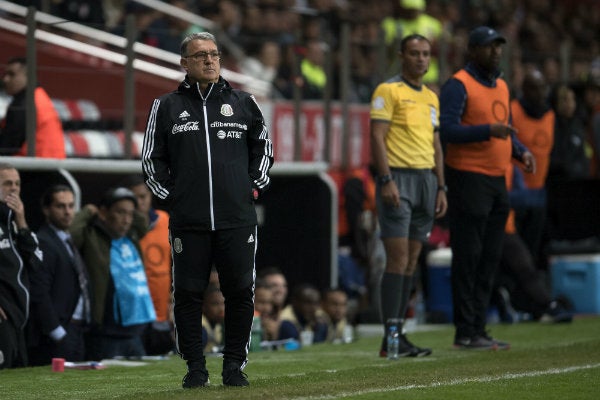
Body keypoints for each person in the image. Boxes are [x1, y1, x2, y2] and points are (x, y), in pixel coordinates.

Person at [141, 32, 273, 388]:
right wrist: (174, 198)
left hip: (237, 219)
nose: (210, 60)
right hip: (189, 221)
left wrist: (253, 184)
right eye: (200, 56)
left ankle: (234, 367)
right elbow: (152, 161)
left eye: (214, 54)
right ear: (184, 63)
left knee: (240, 293)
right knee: (187, 295)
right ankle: (195, 368)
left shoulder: (244, 102)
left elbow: (264, 148)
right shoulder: (165, 106)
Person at [439, 26, 535, 350]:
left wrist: (520, 151)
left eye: (498, 47)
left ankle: (478, 327)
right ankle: (464, 331)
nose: (495, 52)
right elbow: (448, 131)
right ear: (472, 51)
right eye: (488, 47)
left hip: (497, 179)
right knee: (469, 255)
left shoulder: (503, 86)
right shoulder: (458, 85)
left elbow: (505, 132)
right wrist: (487, 130)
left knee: (491, 256)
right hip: (467, 177)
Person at [370, 34, 447, 358]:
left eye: (426, 54)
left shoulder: (431, 97)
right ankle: (390, 338)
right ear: (401, 56)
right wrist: (386, 179)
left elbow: (436, 144)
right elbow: (377, 136)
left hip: (426, 181)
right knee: (398, 259)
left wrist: (441, 186)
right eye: (414, 53)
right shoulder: (388, 90)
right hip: (399, 179)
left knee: (412, 262)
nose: (421, 59)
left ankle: (398, 335)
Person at [70, 187, 156, 361]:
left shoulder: (132, 234)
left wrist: (131, 202)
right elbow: (71, 235)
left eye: (130, 214)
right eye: (120, 212)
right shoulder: (91, 235)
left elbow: (143, 223)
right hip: (106, 332)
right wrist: (87, 211)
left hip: (135, 330)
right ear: (104, 212)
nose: (126, 220)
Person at [27, 184, 91, 365]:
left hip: (77, 330)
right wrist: (56, 331)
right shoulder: (44, 241)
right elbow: (39, 290)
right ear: (46, 210)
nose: (68, 211)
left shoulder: (66, 239)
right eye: (60, 206)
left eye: (71, 206)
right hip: (60, 332)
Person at [122, 174, 174, 356]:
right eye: (133, 198)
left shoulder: (165, 220)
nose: (139, 202)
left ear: (151, 196)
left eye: (143, 196)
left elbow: (176, 262)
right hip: (134, 310)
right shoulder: (122, 229)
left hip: (162, 309)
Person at [0, 162, 43, 369]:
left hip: (20, 316)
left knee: (19, 376)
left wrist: (22, 220)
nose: (14, 188)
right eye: (8, 184)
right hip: (3, 315)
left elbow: (36, 262)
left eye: (17, 184)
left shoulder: (16, 223)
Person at [509, 69, 555, 264]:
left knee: (533, 250)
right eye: (534, 88)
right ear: (524, 89)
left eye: (543, 88)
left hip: (538, 193)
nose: (540, 93)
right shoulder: (513, 110)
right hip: (515, 194)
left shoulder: (550, 115)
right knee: (517, 254)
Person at [0, 57, 66, 158]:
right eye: (5, 74)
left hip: (36, 166)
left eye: (12, 74)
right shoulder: (38, 95)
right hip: (49, 163)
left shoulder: (25, 103)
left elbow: (9, 145)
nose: (5, 79)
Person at [201, 284, 225, 354]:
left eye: (223, 303)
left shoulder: (218, 324)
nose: (221, 309)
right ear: (203, 306)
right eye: (215, 304)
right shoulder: (200, 327)